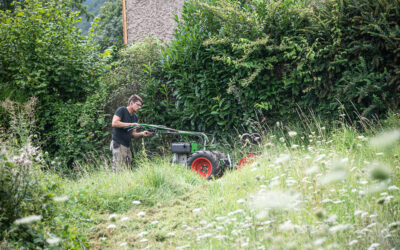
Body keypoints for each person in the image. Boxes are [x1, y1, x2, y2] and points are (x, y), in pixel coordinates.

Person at [110, 94, 152, 169]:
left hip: (127, 146)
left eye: (140, 106)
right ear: (131, 102)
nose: (139, 107)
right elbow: (114, 123)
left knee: (127, 169)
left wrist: (142, 133)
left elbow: (133, 134)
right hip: (118, 144)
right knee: (118, 169)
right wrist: (131, 124)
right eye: (138, 105)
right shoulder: (122, 110)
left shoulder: (135, 117)